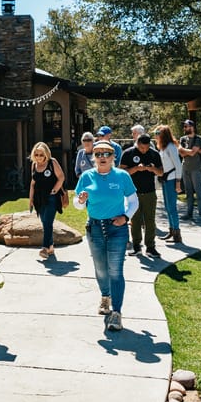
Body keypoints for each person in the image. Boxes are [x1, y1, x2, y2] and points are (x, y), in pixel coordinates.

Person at [74, 140, 139, 332]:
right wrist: (80, 200)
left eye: (107, 154)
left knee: (115, 271)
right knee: (101, 269)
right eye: (99, 154)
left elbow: (133, 201)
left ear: (113, 157)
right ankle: (105, 297)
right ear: (93, 157)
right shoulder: (86, 176)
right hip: (94, 227)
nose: (102, 157)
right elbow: (78, 205)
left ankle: (116, 313)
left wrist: (125, 217)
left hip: (116, 228)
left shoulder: (122, 176)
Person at [119, 133, 165, 257]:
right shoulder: (128, 153)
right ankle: (136, 246)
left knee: (150, 220)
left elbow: (161, 172)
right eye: (141, 148)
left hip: (149, 192)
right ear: (137, 144)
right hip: (133, 192)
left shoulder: (154, 154)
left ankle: (150, 247)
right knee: (135, 220)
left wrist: (152, 169)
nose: (144, 150)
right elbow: (122, 172)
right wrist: (135, 169)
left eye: (146, 148)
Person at [28, 142, 66, 259]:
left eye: (41, 155)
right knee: (45, 223)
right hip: (39, 198)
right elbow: (33, 183)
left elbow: (61, 177)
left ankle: (44, 248)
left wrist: (54, 191)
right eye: (37, 154)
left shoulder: (52, 162)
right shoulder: (34, 165)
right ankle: (50, 246)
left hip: (51, 197)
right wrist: (31, 199)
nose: (39, 157)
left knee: (48, 222)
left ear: (46, 154)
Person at [154, 124, 183, 243]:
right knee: (167, 207)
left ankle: (177, 233)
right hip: (165, 178)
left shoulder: (171, 147)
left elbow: (178, 165)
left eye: (157, 133)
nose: (155, 136)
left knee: (172, 207)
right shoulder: (163, 148)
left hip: (172, 179)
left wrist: (178, 182)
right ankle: (171, 230)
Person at [178, 119, 201, 221]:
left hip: (196, 168)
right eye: (184, 126)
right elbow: (181, 153)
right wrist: (192, 151)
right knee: (188, 192)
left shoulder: (198, 139)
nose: (185, 128)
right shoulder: (182, 139)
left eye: (187, 126)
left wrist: (188, 151)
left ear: (193, 127)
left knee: (198, 192)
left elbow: (191, 153)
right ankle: (189, 214)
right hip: (185, 167)